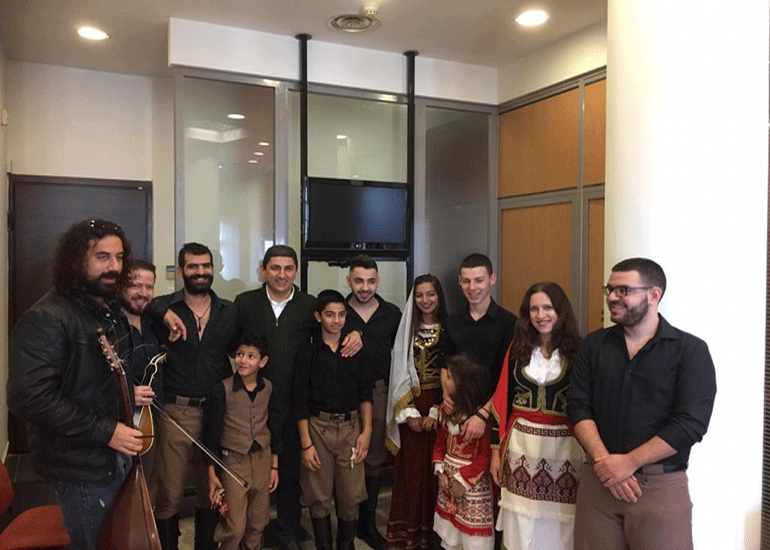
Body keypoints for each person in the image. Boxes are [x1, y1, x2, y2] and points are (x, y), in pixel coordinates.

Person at [8, 218, 143, 550]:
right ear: (76, 261)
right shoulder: (47, 317)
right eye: (102, 257)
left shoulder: (104, 309)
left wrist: (127, 393)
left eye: (119, 257)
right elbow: (30, 398)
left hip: (110, 459)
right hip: (81, 468)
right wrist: (106, 431)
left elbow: (88, 380)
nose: (114, 267)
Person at [567, 258, 717, 550]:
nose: (612, 297)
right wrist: (606, 464)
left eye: (623, 290)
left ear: (654, 294)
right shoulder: (593, 345)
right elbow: (577, 406)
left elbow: (690, 424)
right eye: (610, 289)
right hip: (598, 483)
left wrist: (628, 463)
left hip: (659, 488)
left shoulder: (690, 351)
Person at [235, 245, 362, 550]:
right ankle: (249, 531)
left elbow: (335, 324)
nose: (282, 275)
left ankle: (288, 530)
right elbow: (233, 344)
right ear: (263, 270)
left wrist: (359, 333)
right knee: (252, 465)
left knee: (291, 468)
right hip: (254, 399)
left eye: (288, 268)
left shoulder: (308, 305)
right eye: (275, 268)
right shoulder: (245, 303)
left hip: (295, 400)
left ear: (295, 271)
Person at [150, 242, 240, 550]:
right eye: (193, 266)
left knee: (210, 490)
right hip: (176, 414)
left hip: (218, 413)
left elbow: (242, 350)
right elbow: (139, 303)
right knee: (169, 493)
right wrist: (163, 312)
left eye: (206, 266)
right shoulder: (164, 308)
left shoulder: (230, 311)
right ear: (181, 270)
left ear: (214, 269)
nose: (200, 272)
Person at [489, 282, 583, 550]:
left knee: (561, 523)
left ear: (560, 311)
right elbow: (502, 401)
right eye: (534, 309)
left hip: (565, 451)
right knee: (522, 523)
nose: (541, 315)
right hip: (521, 449)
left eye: (547, 308)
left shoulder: (579, 351)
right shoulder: (517, 349)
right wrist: (496, 452)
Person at [294, 290, 373, 550]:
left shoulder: (355, 350)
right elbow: (300, 401)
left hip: (351, 428)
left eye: (341, 315)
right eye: (329, 315)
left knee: (351, 494)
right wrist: (306, 444)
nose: (336, 320)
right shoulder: (308, 352)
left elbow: (365, 394)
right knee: (318, 494)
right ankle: (324, 544)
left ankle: (346, 543)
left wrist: (366, 432)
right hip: (318, 428)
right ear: (319, 317)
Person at [385, 274, 452, 550]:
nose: (425, 300)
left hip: (441, 405)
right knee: (412, 471)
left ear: (439, 296)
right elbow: (398, 370)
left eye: (431, 294)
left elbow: (454, 371)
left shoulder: (450, 328)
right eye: (420, 295)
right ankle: (409, 532)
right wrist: (408, 413)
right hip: (410, 403)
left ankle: (435, 535)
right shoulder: (406, 330)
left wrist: (438, 410)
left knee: (437, 470)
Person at [203, 331, 283, 550]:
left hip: (262, 460)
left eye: (250, 356)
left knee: (258, 521)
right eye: (239, 354)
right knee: (234, 525)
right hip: (233, 463)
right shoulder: (221, 390)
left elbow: (275, 428)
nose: (243, 360)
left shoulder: (269, 388)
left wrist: (274, 466)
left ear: (262, 362)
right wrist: (211, 473)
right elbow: (210, 435)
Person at [344, 255, 401, 550]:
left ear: (378, 281)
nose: (364, 287)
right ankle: (346, 526)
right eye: (358, 281)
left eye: (370, 281)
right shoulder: (338, 312)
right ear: (348, 281)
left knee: (374, 460)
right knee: (346, 460)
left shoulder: (392, 314)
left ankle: (367, 524)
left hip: (379, 393)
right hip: (343, 396)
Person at [444, 253, 516, 441]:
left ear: (492, 279)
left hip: (496, 414)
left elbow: (508, 377)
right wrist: (446, 395)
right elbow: (446, 365)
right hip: (458, 413)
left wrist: (483, 414)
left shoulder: (509, 323)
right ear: (459, 281)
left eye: (479, 280)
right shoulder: (451, 322)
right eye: (466, 281)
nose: (472, 287)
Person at [433, 354, 494, 550]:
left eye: (450, 377)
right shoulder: (447, 412)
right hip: (448, 486)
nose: (445, 380)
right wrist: (441, 472)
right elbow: (440, 445)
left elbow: (484, 458)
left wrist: (462, 481)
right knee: (449, 538)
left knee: (472, 541)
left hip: (472, 490)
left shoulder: (481, 422)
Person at [121, 259, 163, 482]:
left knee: (146, 485)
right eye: (136, 286)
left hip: (150, 420)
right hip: (120, 423)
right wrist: (128, 393)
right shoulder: (110, 326)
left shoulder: (153, 322)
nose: (143, 293)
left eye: (149, 287)